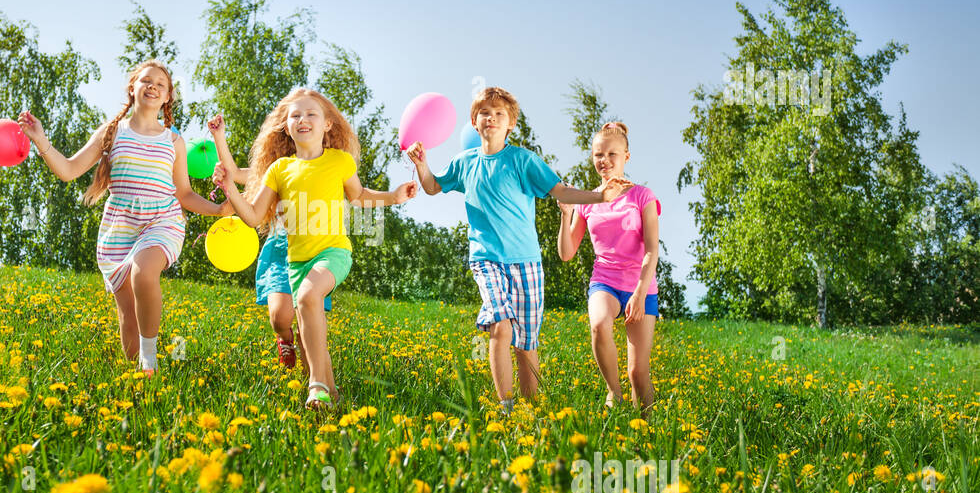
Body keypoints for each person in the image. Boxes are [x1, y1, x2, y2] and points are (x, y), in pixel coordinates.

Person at [407, 87, 630, 414]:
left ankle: (531, 412)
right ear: (474, 121)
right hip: (487, 260)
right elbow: (433, 186)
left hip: (526, 264)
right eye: (485, 113)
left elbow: (562, 192)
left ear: (511, 123)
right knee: (500, 324)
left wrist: (600, 197)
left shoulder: (523, 161)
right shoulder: (464, 162)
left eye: (500, 115)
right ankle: (507, 406)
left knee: (526, 345)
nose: (492, 119)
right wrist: (423, 164)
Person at [19, 59, 230, 375]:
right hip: (119, 229)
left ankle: (150, 359)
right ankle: (139, 381)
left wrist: (217, 210)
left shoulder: (174, 140)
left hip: (162, 221)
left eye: (160, 84)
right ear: (132, 88)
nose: (153, 86)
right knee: (127, 317)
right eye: (146, 81)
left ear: (168, 97)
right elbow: (68, 170)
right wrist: (40, 139)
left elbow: (183, 194)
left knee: (143, 273)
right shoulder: (111, 132)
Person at [213, 88, 416, 408]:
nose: (303, 119)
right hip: (295, 261)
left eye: (311, 114)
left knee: (308, 299)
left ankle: (316, 384)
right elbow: (252, 216)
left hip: (333, 253)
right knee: (308, 333)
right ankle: (328, 395)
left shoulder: (340, 161)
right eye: (295, 115)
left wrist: (393, 196)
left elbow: (358, 195)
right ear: (286, 126)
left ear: (327, 126)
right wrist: (228, 189)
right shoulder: (279, 170)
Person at [557, 121, 660, 412]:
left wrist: (640, 294)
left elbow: (652, 249)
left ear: (626, 156)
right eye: (598, 155)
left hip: (641, 286)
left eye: (611, 154)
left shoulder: (642, 196)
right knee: (599, 324)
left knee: (638, 374)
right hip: (605, 281)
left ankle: (647, 431)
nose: (604, 161)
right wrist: (566, 215)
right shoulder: (588, 201)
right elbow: (567, 253)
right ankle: (613, 393)